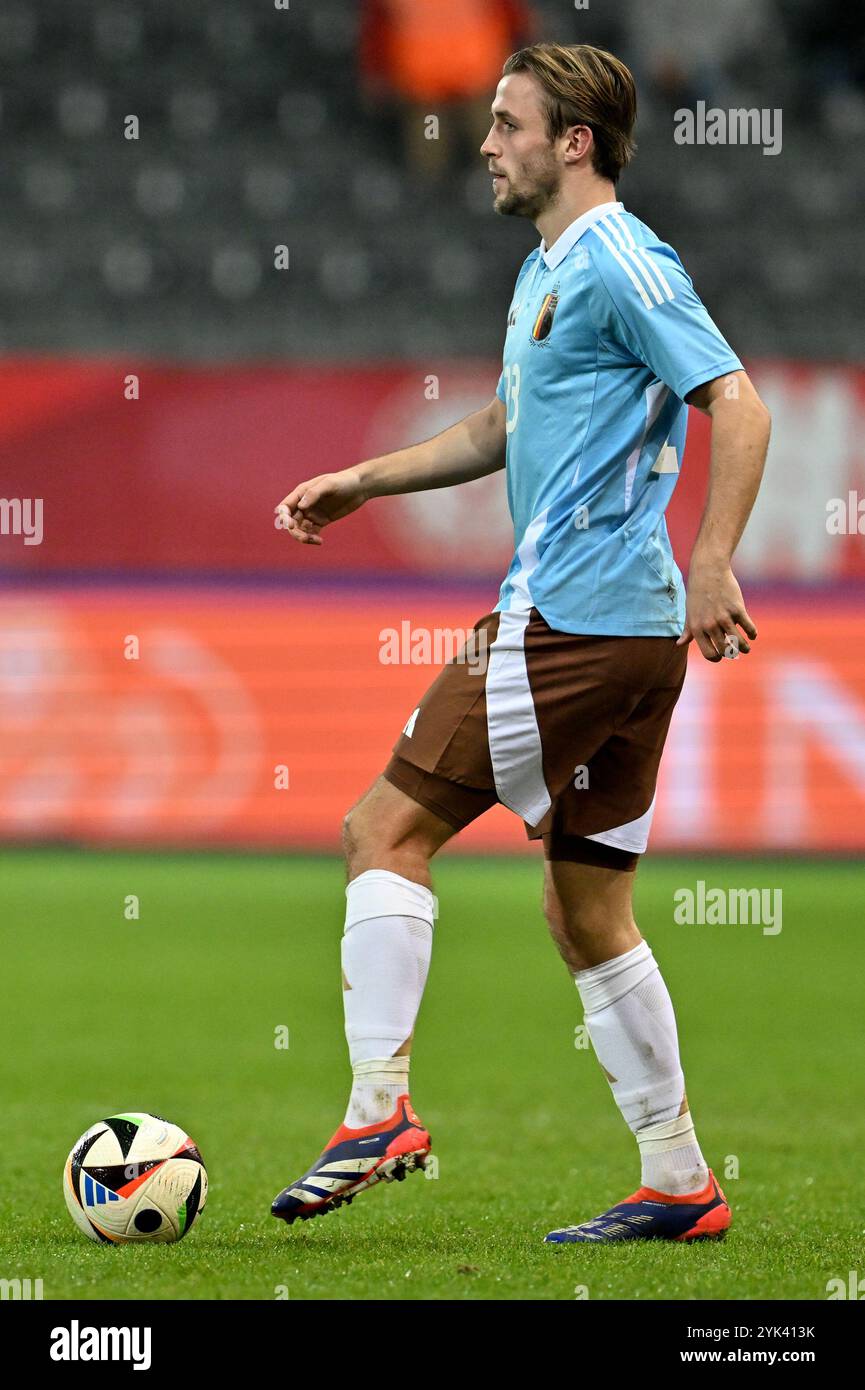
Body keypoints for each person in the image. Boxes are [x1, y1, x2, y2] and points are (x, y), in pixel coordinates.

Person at [272, 43, 770, 1243]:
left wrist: (713, 561)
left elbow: (739, 402)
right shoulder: (552, 265)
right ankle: (679, 1181)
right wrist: (363, 480)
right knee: (588, 908)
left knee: (381, 830)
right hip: (629, 635)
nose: (483, 141)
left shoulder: (617, 258)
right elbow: (506, 422)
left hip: (575, 618)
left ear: (573, 143)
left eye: (505, 124)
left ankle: (378, 1108)